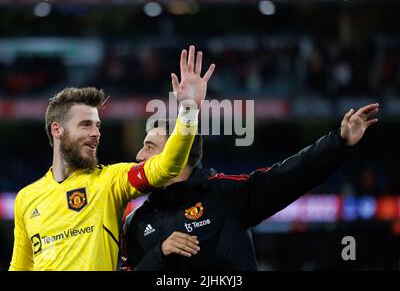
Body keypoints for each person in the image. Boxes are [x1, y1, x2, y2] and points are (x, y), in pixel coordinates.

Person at [9, 45, 216, 271]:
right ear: (57, 130)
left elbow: (168, 165)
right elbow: (20, 267)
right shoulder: (26, 199)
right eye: (86, 125)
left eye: (98, 126)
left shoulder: (111, 181)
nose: (96, 133)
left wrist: (188, 110)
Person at [119, 103, 379, 271]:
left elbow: (289, 176)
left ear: (178, 152)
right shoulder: (135, 222)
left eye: (150, 147)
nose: (139, 156)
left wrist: (339, 143)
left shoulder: (225, 195)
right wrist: (159, 253)